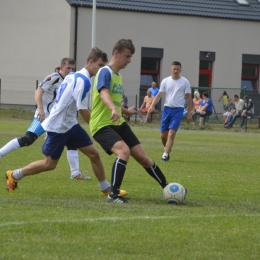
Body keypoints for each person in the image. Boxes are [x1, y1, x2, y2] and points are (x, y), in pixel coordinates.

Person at [5, 47, 127, 197]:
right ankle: (14, 175)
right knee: (50, 164)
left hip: (70, 124)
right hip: (58, 127)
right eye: (100, 65)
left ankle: (105, 188)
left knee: (94, 154)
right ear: (90, 62)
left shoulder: (73, 76)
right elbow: (82, 110)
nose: (102, 69)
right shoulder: (83, 81)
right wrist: (96, 129)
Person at [90, 39, 172, 203]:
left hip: (118, 123)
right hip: (101, 124)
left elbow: (113, 99)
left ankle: (168, 188)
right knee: (124, 151)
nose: (129, 61)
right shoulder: (105, 72)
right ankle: (113, 195)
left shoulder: (118, 76)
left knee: (143, 157)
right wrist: (113, 108)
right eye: (127, 56)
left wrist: (124, 111)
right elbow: (104, 93)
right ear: (116, 53)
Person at [0, 58, 91, 180]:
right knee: (27, 139)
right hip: (43, 117)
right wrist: (40, 109)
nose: (70, 70)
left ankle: (75, 174)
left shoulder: (71, 80)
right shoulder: (54, 78)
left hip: (58, 120)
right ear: (61, 67)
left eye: (72, 68)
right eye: (68, 68)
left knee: (71, 142)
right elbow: (39, 91)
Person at [149, 61, 192, 162]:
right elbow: (159, 95)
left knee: (171, 133)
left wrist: (189, 113)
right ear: (171, 69)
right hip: (167, 109)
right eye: (174, 69)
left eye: (177, 69)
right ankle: (167, 148)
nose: (176, 71)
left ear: (180, 70)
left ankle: (165, 155)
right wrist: (152, 105)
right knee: (163, 135)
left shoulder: (185, 82)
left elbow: (189, 98)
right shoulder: (165, 81)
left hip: (178, 110)